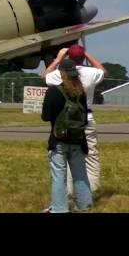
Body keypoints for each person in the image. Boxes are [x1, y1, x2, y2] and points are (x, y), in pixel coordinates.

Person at [43, 44, 105, 197]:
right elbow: (102, 70)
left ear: (69, 58)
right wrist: (87, 54)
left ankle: (69, 191)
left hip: (66, 118)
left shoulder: (61, 73)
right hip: (86, 116)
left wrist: (58, 58)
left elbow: (45, 75)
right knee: (90, 155)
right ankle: (93, 189)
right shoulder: (91, 73)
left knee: (67, 155)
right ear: (83, 58)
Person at [41, 59, 93, 213]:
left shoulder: (54, 91)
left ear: (61, 73)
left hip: (59, 139)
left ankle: (59, 208)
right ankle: (85, 205)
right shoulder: (81, 92)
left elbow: (45, 116)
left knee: (59, 175)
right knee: (80, 174)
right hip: (78, 139)